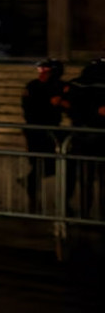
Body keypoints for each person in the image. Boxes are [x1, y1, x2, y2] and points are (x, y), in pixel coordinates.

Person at [21, 58, 66, 212]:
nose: (41, 73)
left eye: (45, 70)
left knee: (50, 164)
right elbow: (29, 108)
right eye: (40, 70)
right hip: (36, 130)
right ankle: (32, 194)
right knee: (38, 163)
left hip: (50, 130)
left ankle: (29, 183)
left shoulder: (58, 86)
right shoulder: (33, 86)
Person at [62, 58, 105, 219]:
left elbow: (70, 108)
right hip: (92, 138)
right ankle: (94, 215)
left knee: (87, 180)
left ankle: (87, 214)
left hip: (82, 137)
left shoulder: (76, 85)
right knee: (95, 180)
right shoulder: (84, 86)